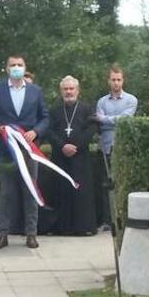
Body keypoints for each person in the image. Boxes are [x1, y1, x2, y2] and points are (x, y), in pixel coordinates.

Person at [0, 54, 50, 250]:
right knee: (6, 193)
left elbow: (45, 117)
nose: (16, 67)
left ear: (25, 67)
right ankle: (3, 234)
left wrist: (36, 131)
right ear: (6, 68)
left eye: (20, 64)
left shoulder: (36, 91)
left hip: (28, 149)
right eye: (13, 65)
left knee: (30, 191)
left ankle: (31, 234)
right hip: (6, 149)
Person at [47, 76, 98, 235]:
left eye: (71, 89)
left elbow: (91, 129)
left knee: (82, 193)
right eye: (65, 89)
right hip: (60, 157)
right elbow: (49, 130)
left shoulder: (87, 109)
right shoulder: (54, 110)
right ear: (61, 91)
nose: (69, 92)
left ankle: (83, 227)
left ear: (78, 90)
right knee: (61, 191)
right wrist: (62, 146)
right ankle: (61, 228)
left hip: (80, 157)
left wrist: (76, 146)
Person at [95, 65, 138, 157]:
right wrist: (112, 121)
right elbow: (100, 124)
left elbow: (123, 120)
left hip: (124, 147)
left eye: (119, 80)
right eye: (113, 80)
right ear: (108, 81)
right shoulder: (101, 102)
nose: (116, 83)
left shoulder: (131, 100)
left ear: (123, 81)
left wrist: (104, 119)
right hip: (104, 148)